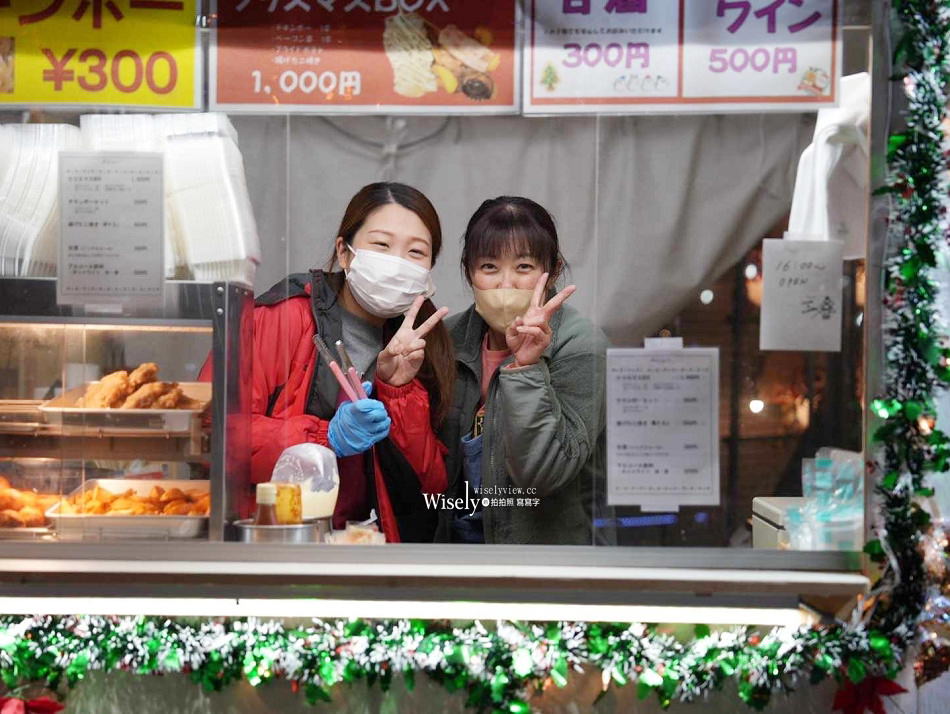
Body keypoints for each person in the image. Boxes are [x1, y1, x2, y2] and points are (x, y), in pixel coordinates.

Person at [249, 182, 454, 543]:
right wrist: (323, 439)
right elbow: (219, 437)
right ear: (344, 252)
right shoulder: (284, 317)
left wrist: (398, 392)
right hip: (284, 541)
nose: (396, 263)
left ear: (429, 272)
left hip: (368, 545)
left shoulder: (425, 344)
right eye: (381, 245)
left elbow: (430, 489)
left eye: (416, 252)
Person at [435, 196, 607, 545]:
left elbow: (543, 473)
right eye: (489, 267)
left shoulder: (580, 344)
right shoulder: (448, 340)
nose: (506, 283)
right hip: (457, 548)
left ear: (553, 270)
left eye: (524, 267)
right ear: (469, 271)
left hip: (540, 559)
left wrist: (527, 367)